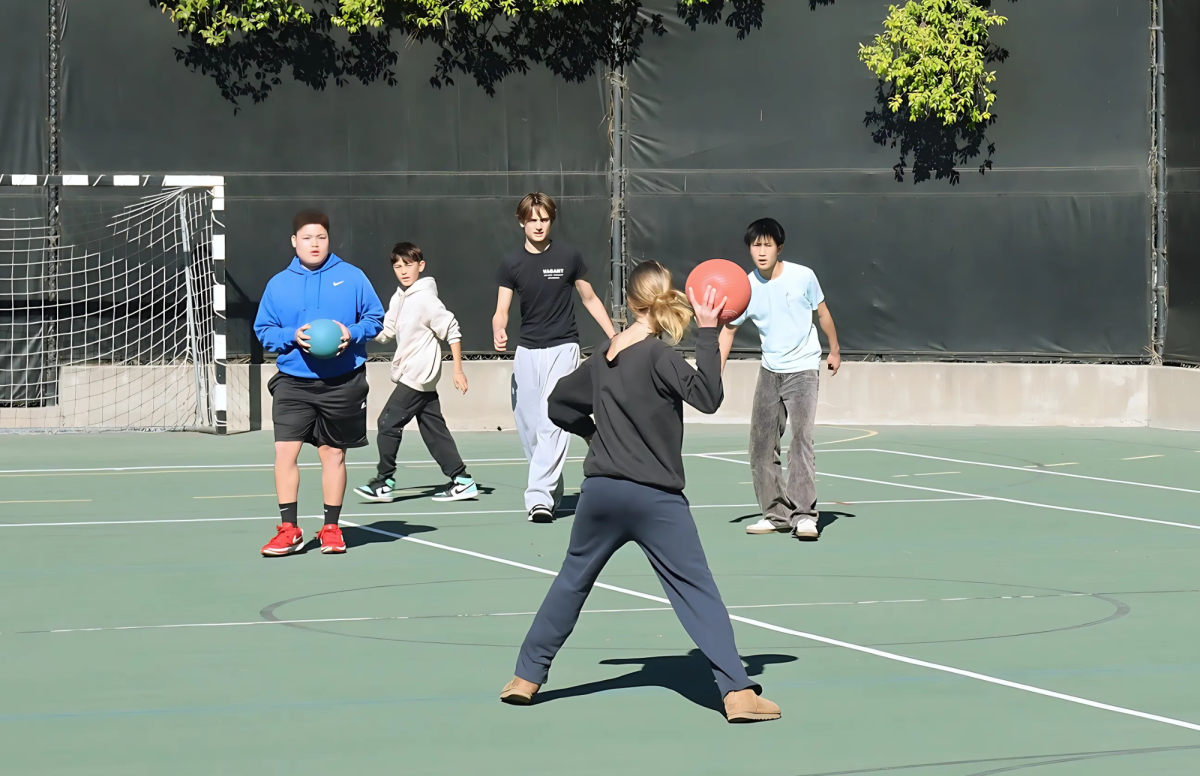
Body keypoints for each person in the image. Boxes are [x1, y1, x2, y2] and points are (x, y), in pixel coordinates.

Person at [499, 261, 781, 723]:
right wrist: (709, 333)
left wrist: (590, 433)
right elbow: (708, 397)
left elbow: (556, 404)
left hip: (601, 494)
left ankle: (526, 677)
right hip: (656, 500)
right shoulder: (660, 356)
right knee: (696, 591)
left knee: (571, 583)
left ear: (629, 303)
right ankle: (737, 693)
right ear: (664, 299)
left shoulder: (604, 356)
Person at [253, 211, 385, 556]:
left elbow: (375, 317)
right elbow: (263, 330)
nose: (315, 244)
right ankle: (289, 529)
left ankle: (331, 528)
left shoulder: (352, 277)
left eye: (321, 238)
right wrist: (291, 336)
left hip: (342, 382)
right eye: (307, 238)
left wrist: (351, 332)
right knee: (285, 453)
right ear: (295, 242)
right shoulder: (278, 283)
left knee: (333, 454)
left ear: (330, 240)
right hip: (293, 383)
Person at [492, 192, 616, 523]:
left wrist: (614, 336)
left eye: (544, 219)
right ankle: (551, 489)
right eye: (532, 219)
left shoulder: (568, 257)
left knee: (551, 422)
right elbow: (501, 311)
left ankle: (538, 498)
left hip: (563, 348)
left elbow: (589, 299)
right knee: (530, 429)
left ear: (552, 219)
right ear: (522, 222)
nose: (538, 225)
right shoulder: (511, 263)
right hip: (527, 352)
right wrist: (499, 329)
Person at [718, 218, 840, 541]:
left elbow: (822, 313)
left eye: (767, 245)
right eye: (755, 245)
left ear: (779, 248)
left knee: (801, 440)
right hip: (769, 371)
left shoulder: (804, 276)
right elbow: (728, 330)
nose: (761, 251)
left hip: (803, 368)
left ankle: (804, 516)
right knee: (759, 445)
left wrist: (835, 350)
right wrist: (714, 372)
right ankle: (776, 514)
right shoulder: (745, 287)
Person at [354, 242, 477, 504]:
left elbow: (452, 330)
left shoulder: (425, 299)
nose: (403, 270)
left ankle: (384, 480)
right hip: (413, 374)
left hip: (419, 374)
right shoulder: (398, 297)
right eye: (397, 266)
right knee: (434, 430)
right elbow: (386, 333)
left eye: (408, 264)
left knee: (387, 422)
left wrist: (458, 370)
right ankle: (462, 480)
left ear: (420, 266)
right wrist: (353, 333)